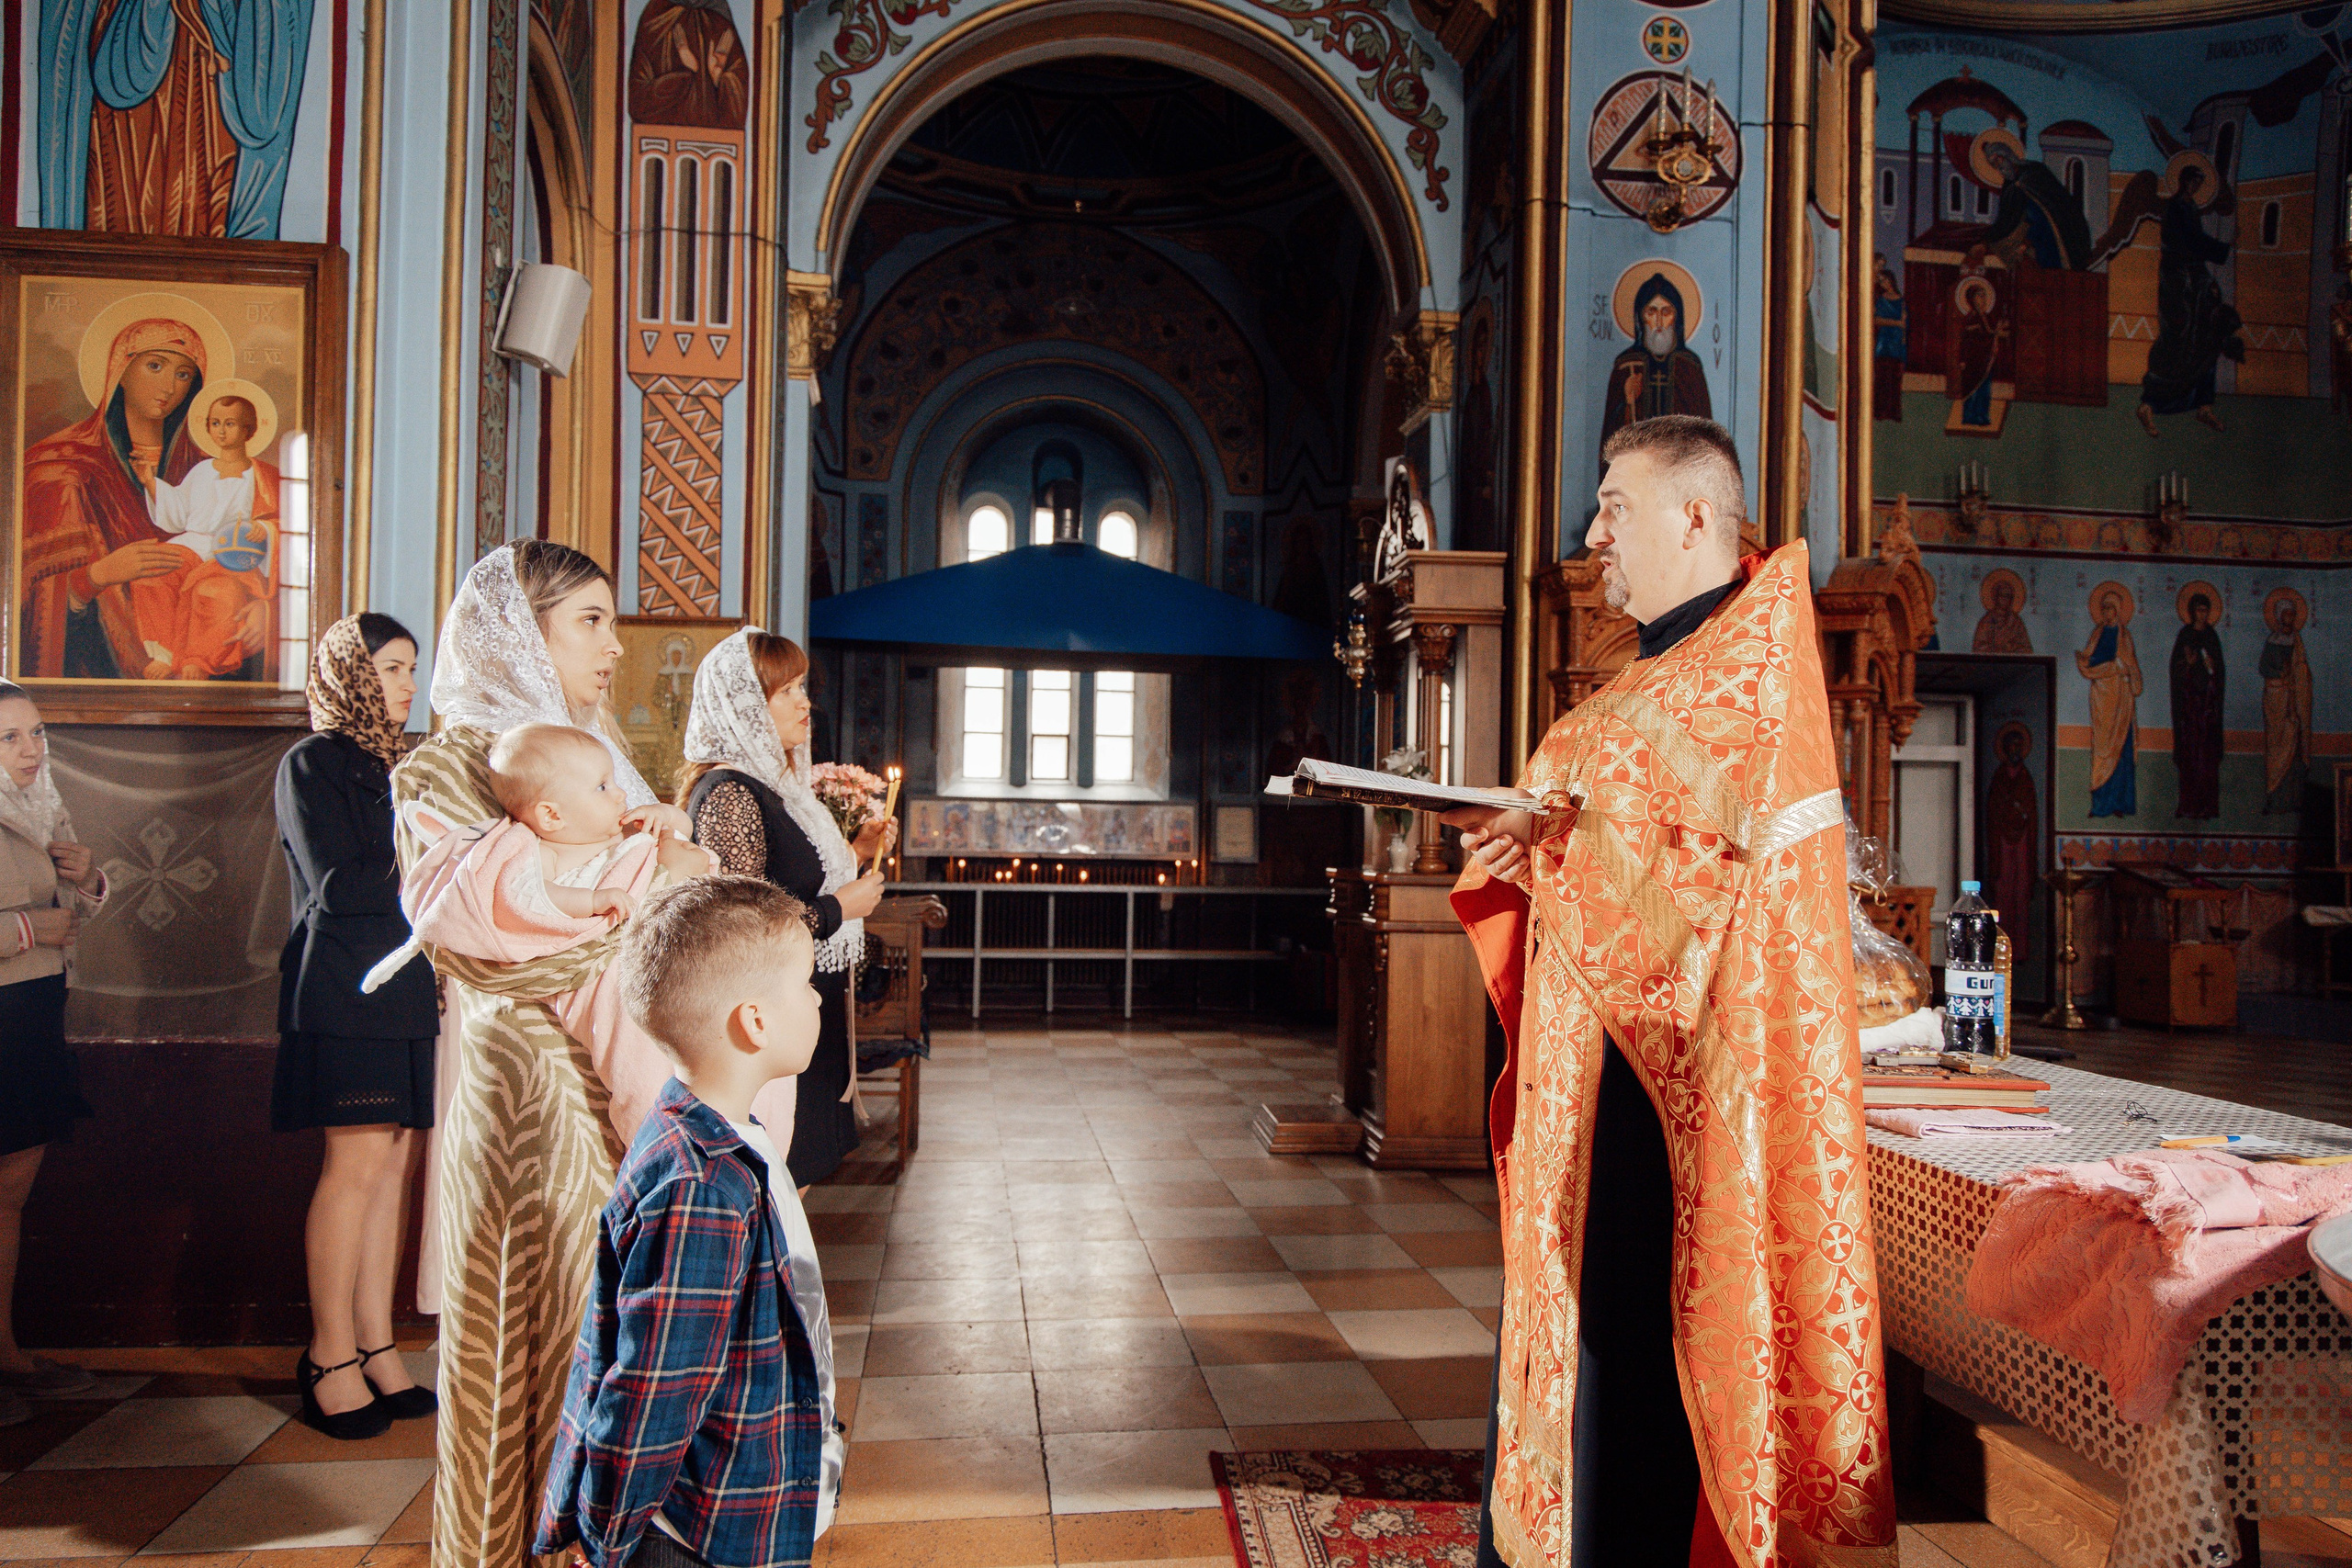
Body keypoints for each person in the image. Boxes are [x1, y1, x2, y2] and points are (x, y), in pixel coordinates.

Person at [1442, 417, 1895, 1568]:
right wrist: (1531, 853)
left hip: (1672, 1105)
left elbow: (1687, 904)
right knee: (1583, 1349)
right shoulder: (1660, 675)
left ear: (1695, 515)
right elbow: (1635, 864)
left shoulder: (1738, 672)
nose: (1594, 536)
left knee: (1635, 1373)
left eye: (1613, 506)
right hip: (1606, 1091)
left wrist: (1553, 838)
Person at [394, 540, 695, 1568]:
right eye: (592, 621)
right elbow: (485, 947)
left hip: (618, 1072)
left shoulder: (591, 747)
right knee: (542, 1342)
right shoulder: (448, 763)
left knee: (620, 1345)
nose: (616, 644)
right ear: (522, 632)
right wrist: (660, 888)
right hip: (528, 1092)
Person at [535, 876, 843, 1568]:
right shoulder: (701, 1183)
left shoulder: (723, 1133)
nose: (818, 997)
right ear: (754, 1021)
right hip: (697, 1533)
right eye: (804, 984)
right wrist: (605, 1532)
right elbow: (654, 1384)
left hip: (741, 1490)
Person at [372, 723, 710, 1143]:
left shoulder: (623, 829)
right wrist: (592, 900)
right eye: (603, 787)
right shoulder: (538, 851)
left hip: (663, 940)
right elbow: (530, 899)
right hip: (597, 972)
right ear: (552, 814)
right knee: (631, 1041)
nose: (620, 794)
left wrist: (666, 816)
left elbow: (682, 830)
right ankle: (653, 1130)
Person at [273, 614, 439, 1439]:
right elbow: (339, 885)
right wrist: (436, 849)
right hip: (342, 985)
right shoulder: (313, 762)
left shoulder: (395, 764)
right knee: (356, 1164)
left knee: (396, 1162)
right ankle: (328, 1350)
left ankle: (377, 1342)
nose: (410, 684)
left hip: (405, 987)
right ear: (350, 671)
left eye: (415, 668)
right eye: (394, 667)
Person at [678, 629, 889, 1186]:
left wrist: (856, 852)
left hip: (799, 1012)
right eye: (787, 691)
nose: (805, 702)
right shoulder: (730, 793)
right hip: (762, 1022)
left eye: (803, 687)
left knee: (796, 1189)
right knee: (775, 1187)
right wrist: (838, 908)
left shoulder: (776, 788)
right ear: (745, 705)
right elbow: (738, 925)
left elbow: (784, 877)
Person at [19, 316, 263, 679]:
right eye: (155, 366)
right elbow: (23, 594)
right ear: (121, 368)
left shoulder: (210, 467)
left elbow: (253, 540)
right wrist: (98, 575)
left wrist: (263, 606)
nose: (169, 385)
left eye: (184, 375)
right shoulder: (60, 466)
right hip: (98, 674)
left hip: (211, 632)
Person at [0, 682, 107, 1427]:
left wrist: (86, 879)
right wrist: (35, 928)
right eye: (9, 738)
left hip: (34, 1014)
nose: (31, 750)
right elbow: (39, 924)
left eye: (36, 733)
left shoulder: (44, 803)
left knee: (9, 1195)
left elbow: (73, 912)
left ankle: (4, 1350)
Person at [135, 391, 279, 681]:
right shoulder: (201, 471)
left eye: (230, 424)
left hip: (233, 554)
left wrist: (262, 529)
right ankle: (165, 654)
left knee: (213, 594)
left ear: (249, 429)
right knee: (152, 573)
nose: (222, 431)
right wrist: (151, 483)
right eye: (215, 423)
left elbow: (283, 521)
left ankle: (198, 660)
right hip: (195, 544)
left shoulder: (264, 475)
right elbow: (176, 511)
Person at [1598, 273, 1711, 471]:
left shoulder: (1689, 368)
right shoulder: (1626, 366)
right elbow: (1610, 440)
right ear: (1640, 317)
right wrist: (1627, 402)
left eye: (1666, 312)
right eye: (1651, 311)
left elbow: (1704, 438)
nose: (1658, 322)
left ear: (1677, 317)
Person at [2077, 588, 2142, 818]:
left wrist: (2124, 670)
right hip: (2102, 699)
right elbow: (2089, 660)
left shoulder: (2125, 637)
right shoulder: (2097, 634)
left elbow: (2130, 665)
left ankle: (2120, 805)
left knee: (2121, 749)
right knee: (2102, 750)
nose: (2106, 613)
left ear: (2117, 611)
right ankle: (2100, 805)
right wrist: (2089, 661)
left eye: (2110, 608)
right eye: (2103, 609)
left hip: (2121, 700)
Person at [2169, 594, 2225, 819]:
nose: (2202, 614)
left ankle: (2208, 807)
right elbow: (2176, 671)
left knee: (2207, 761)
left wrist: (2212, 669)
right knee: (2190, 759)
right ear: (2192, 611)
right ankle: (2188, 805)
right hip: (2189, 711)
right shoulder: (2185, 635)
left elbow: (2219, 672)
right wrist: (2188, 666)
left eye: (2205, 610)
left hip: (2208, 711)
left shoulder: (2212, 636)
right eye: (2199, 610)